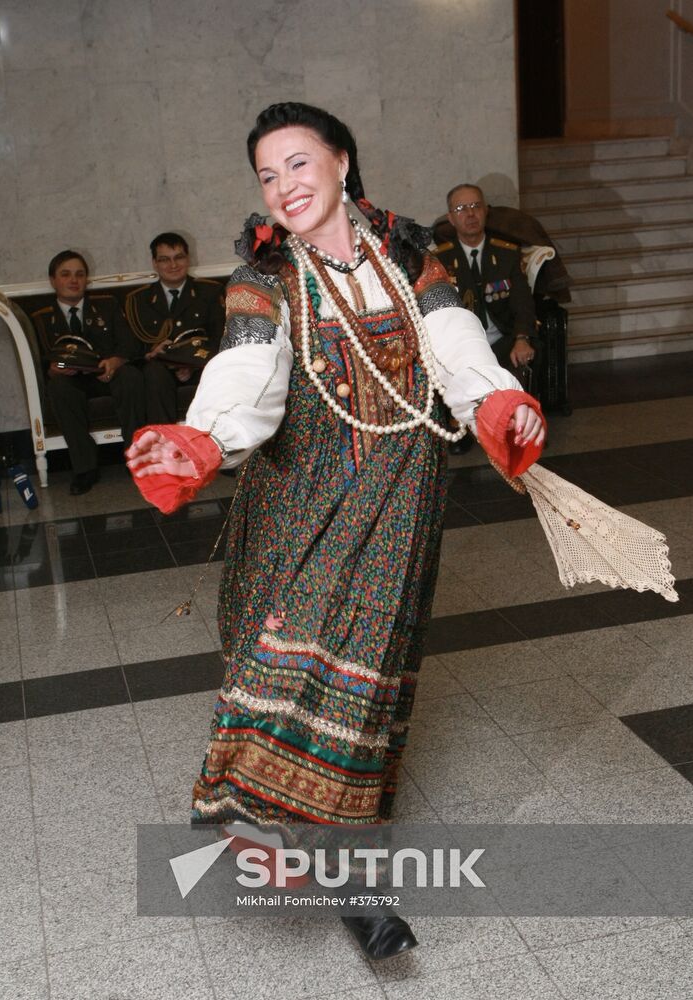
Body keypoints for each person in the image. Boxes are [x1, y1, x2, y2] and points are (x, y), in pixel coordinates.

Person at [126, 103, 545, 959]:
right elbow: (247, 365)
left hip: (399, 501)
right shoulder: (266, 279)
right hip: (297, 507)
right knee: (288, 667)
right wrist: (201, 437)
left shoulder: (412, 264)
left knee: (367, 685)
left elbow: (456, 343)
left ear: (342, 163)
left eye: (298, 164)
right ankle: (277, 844)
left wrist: (497, 401)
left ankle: (352, 882)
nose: (284, 187)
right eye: (267, 175)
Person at [32, 250, 145, 495]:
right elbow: (44, 361)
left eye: (79, 274)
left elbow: (130, 345)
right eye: (65, 274)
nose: (73, 280)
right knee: (58, 388)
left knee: (132, 377)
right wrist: (57, 368)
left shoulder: (107, 306)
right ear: (53, 280)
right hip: (71, 380)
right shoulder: (41, 317)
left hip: (109, 374)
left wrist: (116, 361)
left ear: (86, 279)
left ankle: (135, 457)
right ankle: (85, 468)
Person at [433, 184, 538, 389]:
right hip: (462, 346)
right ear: (451, 218)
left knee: (527, 354)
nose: (471, 214)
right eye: (462, 209)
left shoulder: (507, 254)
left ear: (485, 211)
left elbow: (523, 303)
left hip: (503, 340)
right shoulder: (440, 260)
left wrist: (522, 338)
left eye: (476, 206)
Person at [125, 232, 225, 423]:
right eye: (164, 260)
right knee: (153, 373)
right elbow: (131, 350)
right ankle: (165, 443)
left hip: (200, 366)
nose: (173, 265)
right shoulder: (139, 299)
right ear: (154, 263)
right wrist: (150, 353)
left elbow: (220, 338)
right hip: (158, 369)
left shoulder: (210, 292)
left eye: (179, 257)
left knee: (215, 374)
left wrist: (191, 365)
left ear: (188, 259)